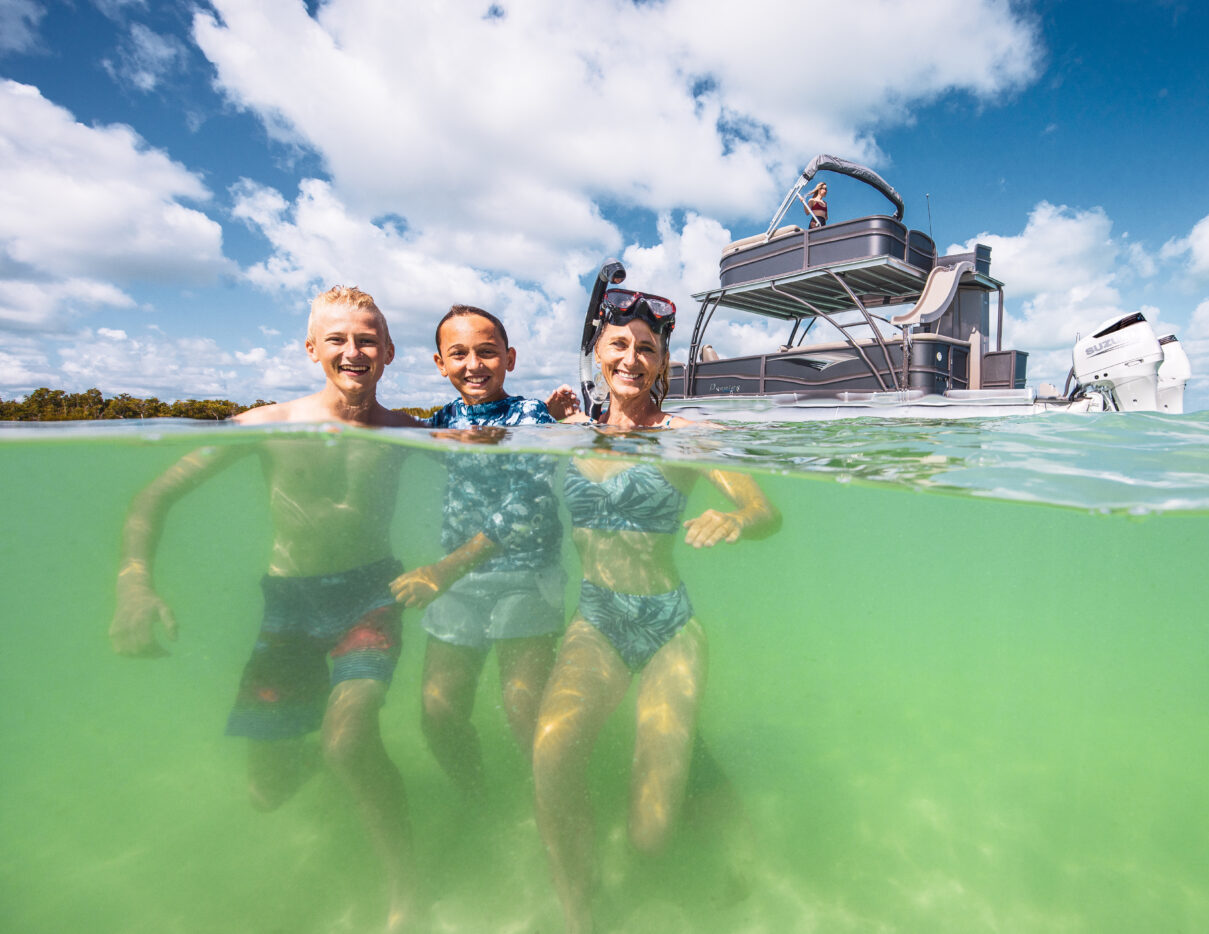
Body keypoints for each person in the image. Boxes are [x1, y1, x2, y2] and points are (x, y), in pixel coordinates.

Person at [109, 285, 421, 932]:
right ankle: (322, 762)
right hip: (288, 607)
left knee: (349, 740)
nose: (353, 350)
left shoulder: (408, 431)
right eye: (337, 338)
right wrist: (134, 581)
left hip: (371, 596)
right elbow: (151, 499)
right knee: (266, 792)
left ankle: (406, 889)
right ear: (312, 349)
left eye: (367, 339)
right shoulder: (266, 425)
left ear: (389, 352)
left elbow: (499, 446)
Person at [534, 288, 781, 934]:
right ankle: (578, 911)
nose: (633, 358)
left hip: (667, 622)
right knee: (551, 758)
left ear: (664, 364)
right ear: (597, 353)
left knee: (649, 834)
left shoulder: (688, 437)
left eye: (648, 348)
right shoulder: (572, 434)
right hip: (597, 620)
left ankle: (698, 776)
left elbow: (764, 512)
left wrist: (737, 518)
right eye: (620, 345)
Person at [389, 306, 567, 802]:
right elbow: (403, 436)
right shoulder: (445, 419)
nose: (473, 364)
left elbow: (528, 504)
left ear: (509, 358)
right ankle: (477, 798)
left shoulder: (530, 416)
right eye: (458, 354)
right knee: (438, 712)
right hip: (459, 584)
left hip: (526, 577)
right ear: (439, 364)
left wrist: (443, 569)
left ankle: (550, 805)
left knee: (523, 711)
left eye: (487, 352)